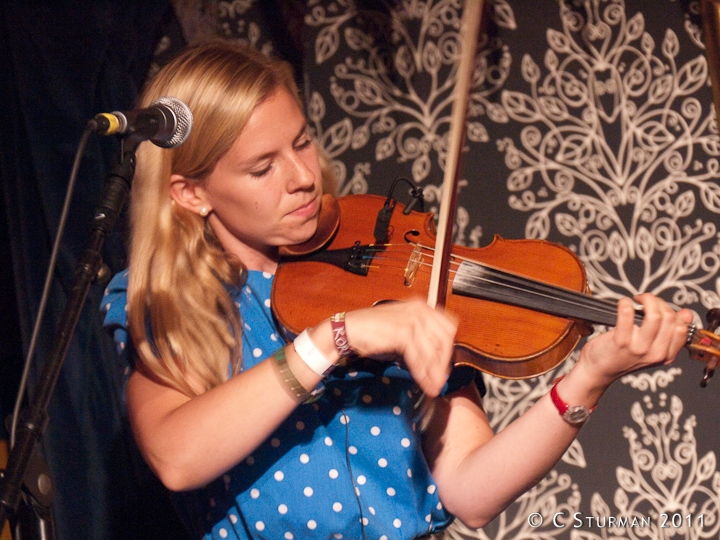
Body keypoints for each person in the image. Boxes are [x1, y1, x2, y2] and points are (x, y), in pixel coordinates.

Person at [101, 40, 694, 540]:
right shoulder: (169, 305)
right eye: (263, 168)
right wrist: (334, 338)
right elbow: (177, 458)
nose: (304, 177)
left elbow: (471, 491)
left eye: (302, 142)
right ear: (191, 194)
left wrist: (588, 376)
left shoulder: (383, 270)